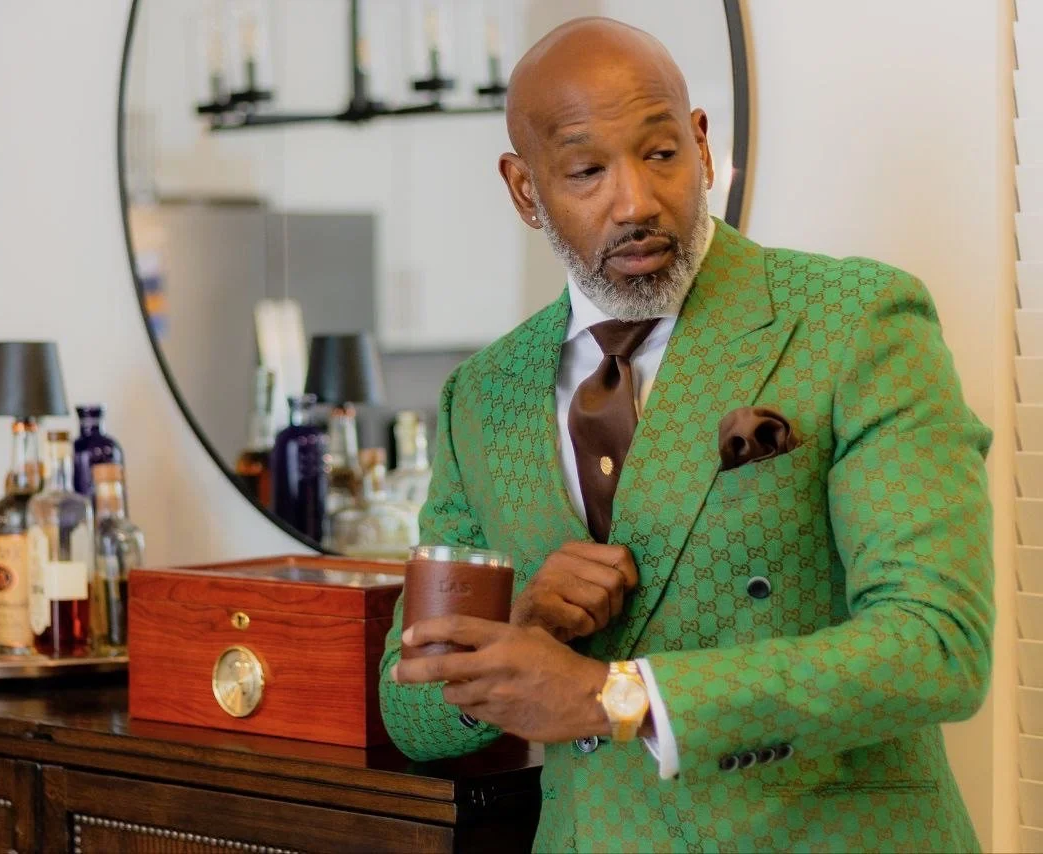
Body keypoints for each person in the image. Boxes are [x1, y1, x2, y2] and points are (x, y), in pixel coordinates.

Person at [380, 16, 993, 853]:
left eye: (661, 154)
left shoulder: (856, 322)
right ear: (525, 190)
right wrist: (523, 626)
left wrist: (615, 696)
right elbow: (412, 709)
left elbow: (937, 644)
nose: (635, 201)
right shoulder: (481, 398)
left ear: (702, 145)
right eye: (588, 170)